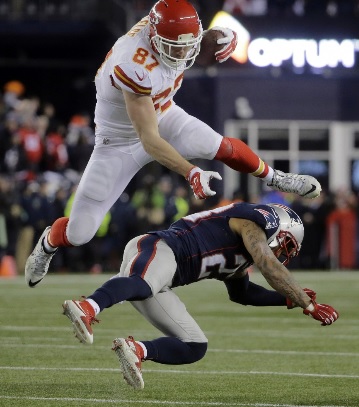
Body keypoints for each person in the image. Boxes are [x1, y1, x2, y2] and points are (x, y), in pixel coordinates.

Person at [25, 0, 321, 288]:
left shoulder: (169, 31)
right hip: (119, 140)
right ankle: (48, 243)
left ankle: (277, 178)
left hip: (163, 111)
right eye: (174, 47)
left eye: (186, 46)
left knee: (220, 146)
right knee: (80, 232)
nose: (181, 54)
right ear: (153, 38)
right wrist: (191, 172)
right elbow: (148, 139)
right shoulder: (133, 62)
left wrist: (217, 38)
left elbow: (184, 36)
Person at [62, 202, 339, 389]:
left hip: (164, 278)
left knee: (195, 345)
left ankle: (137, 350)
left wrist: (286, 299)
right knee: (143, 283)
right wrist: (308, 304)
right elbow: (268, 265)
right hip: (160, 247)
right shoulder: (249, 222)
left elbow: (242, 293)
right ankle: (87, 306)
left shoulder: (242, 258)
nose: (282, 252)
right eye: (285, 243)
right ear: (276, 227)